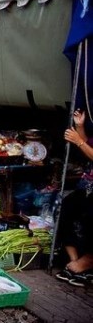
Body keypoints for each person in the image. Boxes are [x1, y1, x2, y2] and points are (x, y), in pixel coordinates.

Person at [56, 109, 93, 287]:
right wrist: (79, 127)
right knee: (65, 208)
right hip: (88, 186)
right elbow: (88, 144)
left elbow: (83, 146)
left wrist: (77, 142)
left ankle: (86, 263)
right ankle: (74, 261)